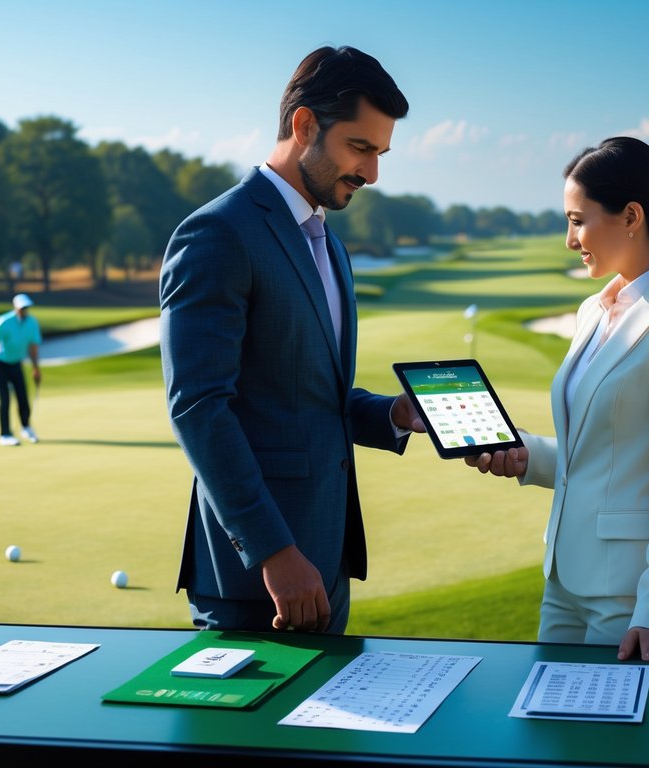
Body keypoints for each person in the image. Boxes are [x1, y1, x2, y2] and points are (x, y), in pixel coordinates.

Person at [159, 46, 423, 635]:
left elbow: (307, 396)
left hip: (328, 563)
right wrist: (274, 552)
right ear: (305, 125)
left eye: (380, 153)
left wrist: (395, 416)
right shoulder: (216, 234)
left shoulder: (329, 243)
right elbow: (199, 408)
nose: (372, 173)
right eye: (360, 147)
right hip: (259, 577)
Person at [465, 137, 649, 663]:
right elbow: (596, 453)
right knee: (550, 734)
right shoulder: (593, 310)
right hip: (562, 578)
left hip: (627, 595)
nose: (570, 239)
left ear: (631, 216)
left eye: (577, 220)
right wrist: (529, 456)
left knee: (601, 742)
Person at [0, 293, 41, 446]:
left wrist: (36, 368)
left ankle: (26, 427)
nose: (24, 310)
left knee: (22, 397)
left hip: (16, 364)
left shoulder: (32, 323)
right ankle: (4, 435)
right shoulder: (4, 321)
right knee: (5, 399)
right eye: (22, 308)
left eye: (26, 307)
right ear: (15, 307)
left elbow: (33, 346)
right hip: (0, 364)